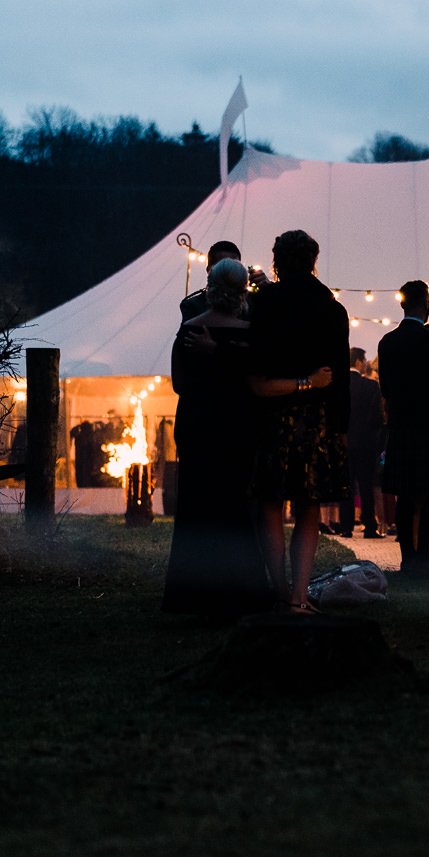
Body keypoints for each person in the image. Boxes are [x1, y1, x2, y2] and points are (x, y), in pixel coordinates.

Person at [162, 258, 274, 617]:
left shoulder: (189, 330)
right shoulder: (251, 334)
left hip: (197, 427)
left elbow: (179, 384)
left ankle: (191, 595)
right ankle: (241, 592)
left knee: (196, 507)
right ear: (242, 291)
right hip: (238, 427)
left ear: (209, 288)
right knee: (236, 506)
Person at [246, 229, 351, 614]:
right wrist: (342, 428)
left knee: (271, 505)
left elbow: (253, 368)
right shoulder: (331, 308)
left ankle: (279, 590)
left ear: (277, 261)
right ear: (313, 261)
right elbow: (339, 377)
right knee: (309, 507)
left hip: (271, 416)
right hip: (318, 421)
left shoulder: (265, 304)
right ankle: (299, 596)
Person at [378, 281, 429, 578]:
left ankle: (408, 557)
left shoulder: (387, 341)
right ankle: (423, 553)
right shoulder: (427, 337)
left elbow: (385, 386)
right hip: (428, 424)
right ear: (425, 302)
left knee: (405, 494)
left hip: (400, 423)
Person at [327, 348, 386, 538]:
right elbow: (377, 417)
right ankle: (370, 526)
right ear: (359, 362)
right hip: (366, 443)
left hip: (344, 441)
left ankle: (346, 527)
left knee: (347, 485)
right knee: (366, 484)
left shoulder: (338, 385)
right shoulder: (371, 386)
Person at [179, 239, 242, 322]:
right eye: (222, 266)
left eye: (233, 266)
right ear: (209, 270)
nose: (228, 270)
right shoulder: (193, 305)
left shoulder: (254, 303)